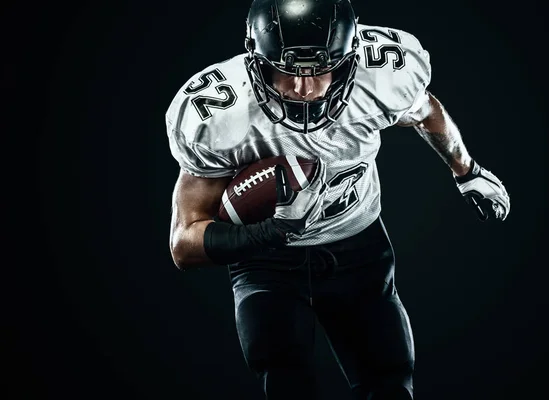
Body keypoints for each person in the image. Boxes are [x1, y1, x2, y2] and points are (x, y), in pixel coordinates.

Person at [165, 0, 510, 398]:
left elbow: (425, 111)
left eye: (321, 69)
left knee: (390, 383)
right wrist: (272, 233)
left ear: (351, 57)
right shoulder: (218, 112)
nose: (304, 89)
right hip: (266, 264)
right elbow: (183, 244)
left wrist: (468, 171)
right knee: (285, 381)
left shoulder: (384, 73)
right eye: (286, 70)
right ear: (255, 60)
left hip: (358, 247)